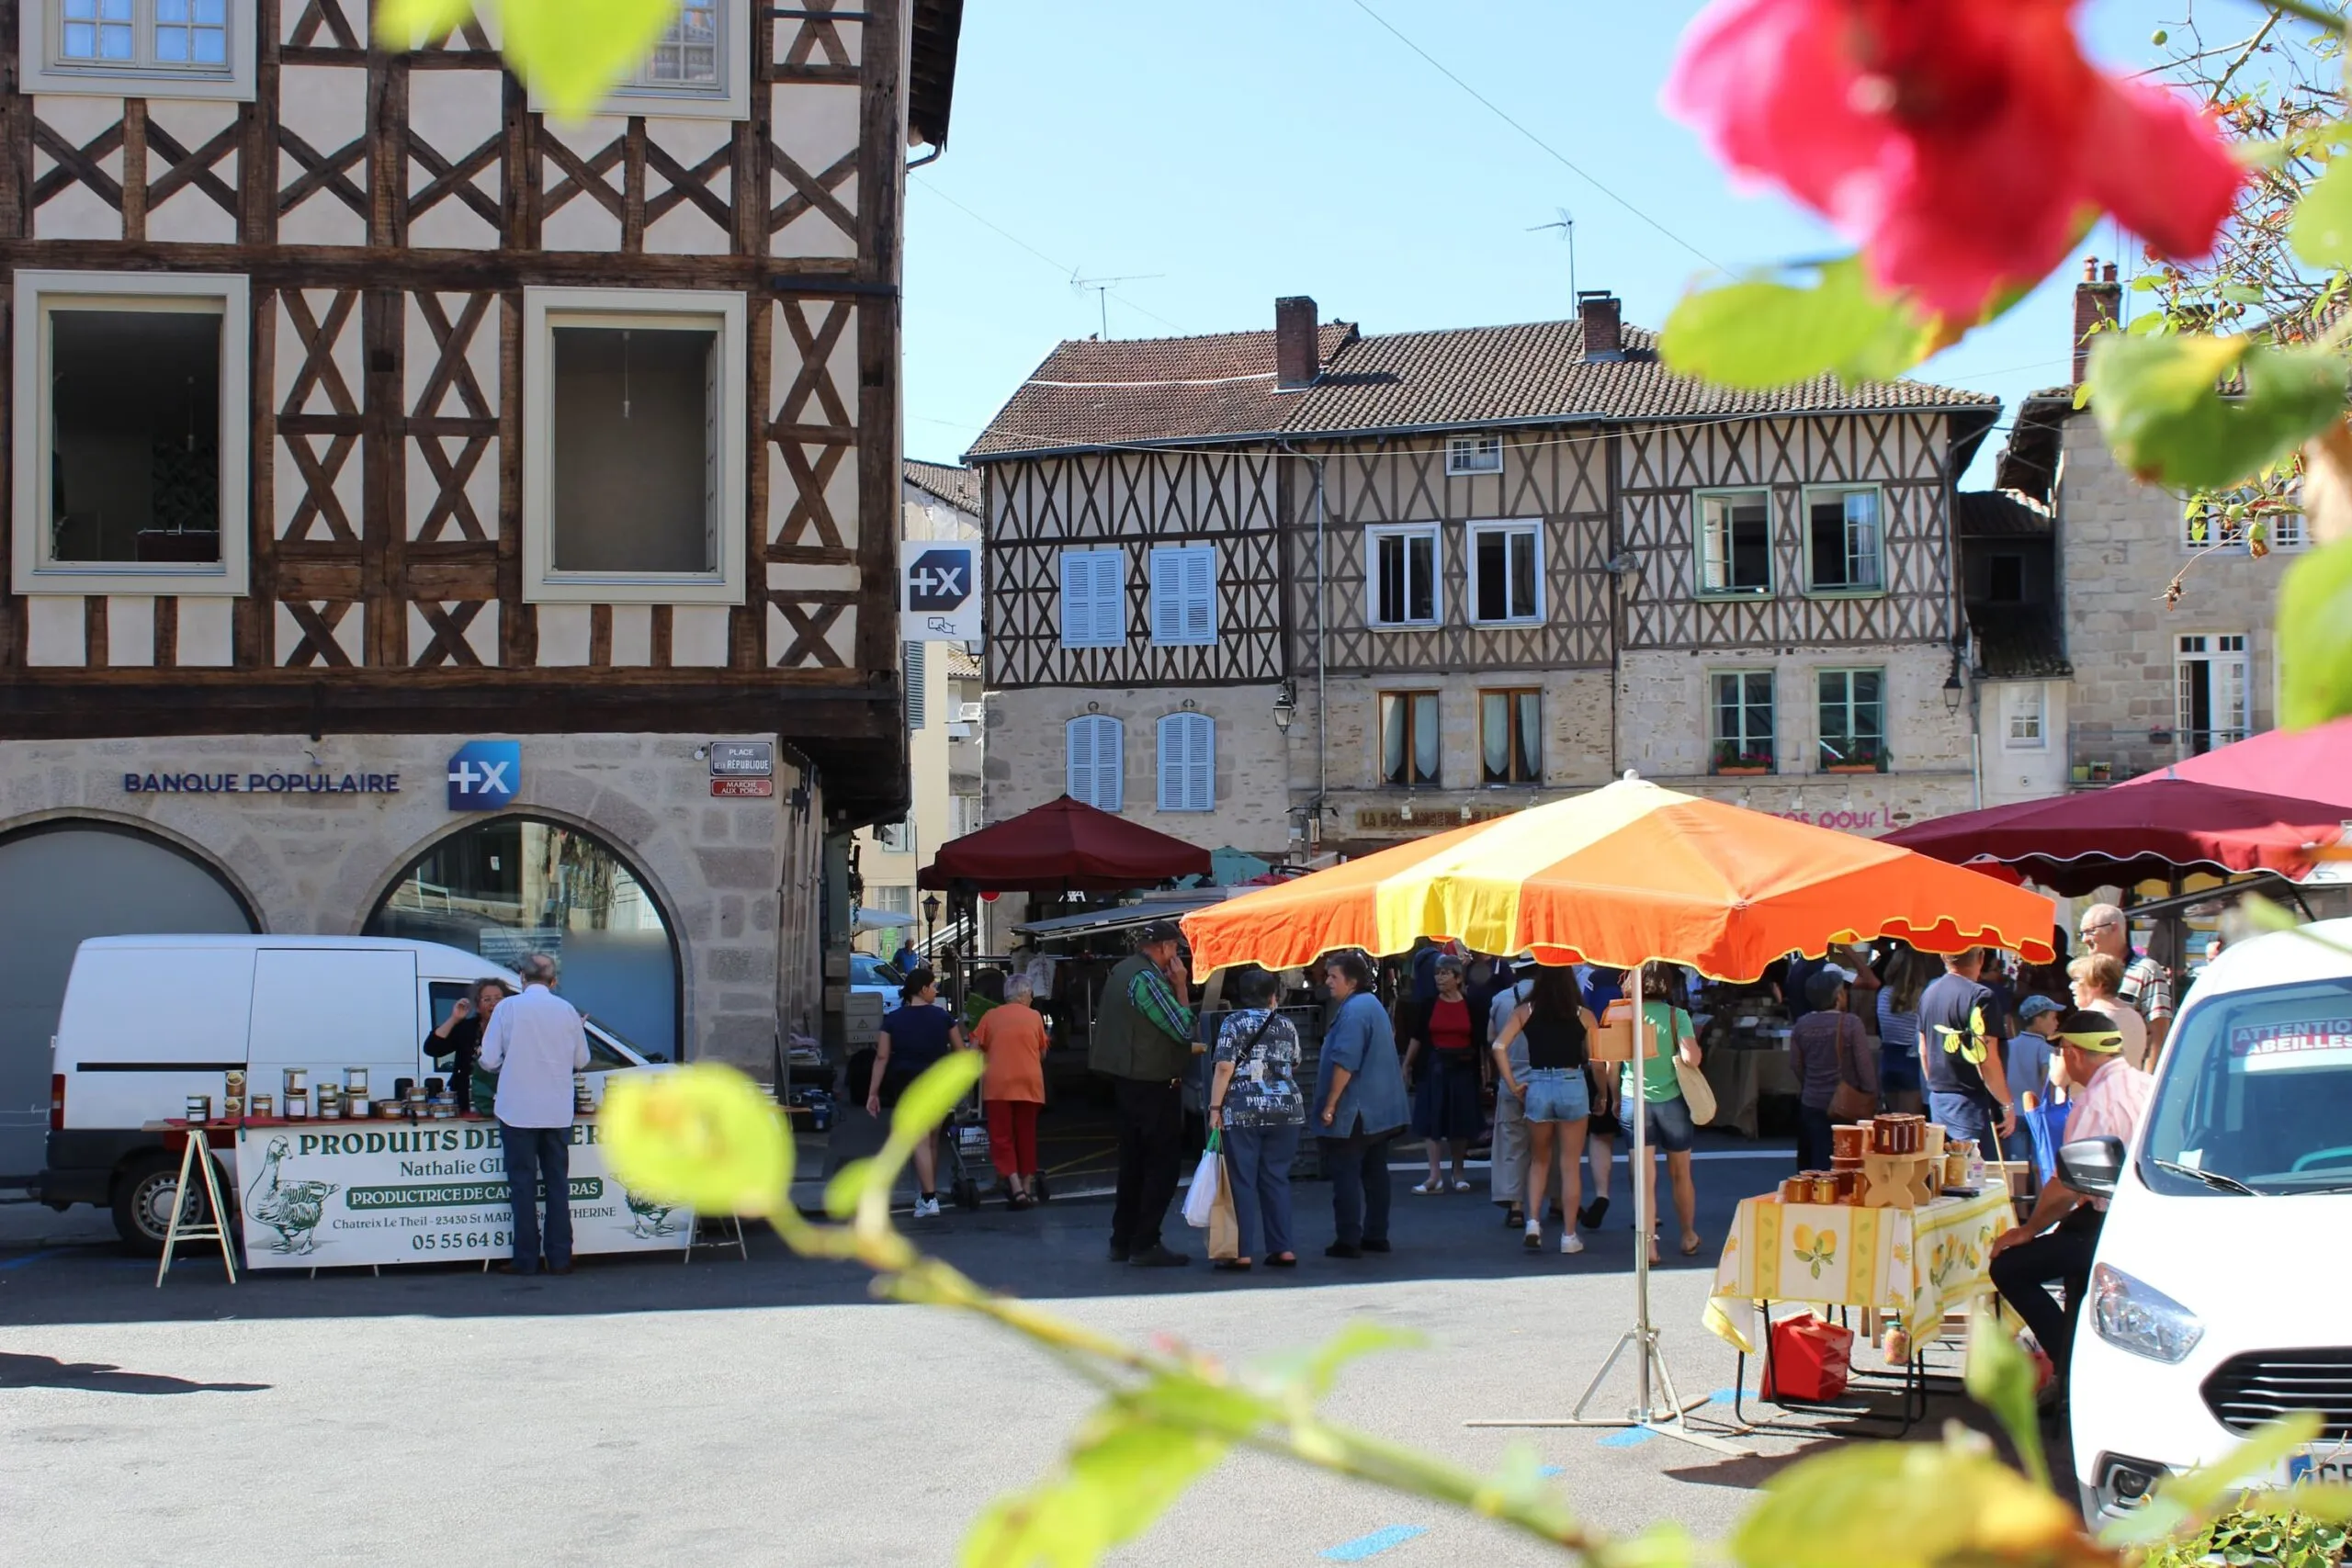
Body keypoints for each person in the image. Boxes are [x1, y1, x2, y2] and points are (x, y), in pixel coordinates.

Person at [1989, 1009, 2156, 1397]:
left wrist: (2028, 1230)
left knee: (2010, 1266)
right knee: (2066, 1243)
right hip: (2141, 1216)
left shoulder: (2095, 1103)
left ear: (2074, 1052)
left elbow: (2065, 1187)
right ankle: (2074, 1356)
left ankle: (2072, 1365)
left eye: (2062, 1050)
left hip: (2111, 1225)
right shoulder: (2148, 1084)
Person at [1090, 922, 1197, 1268]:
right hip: (1152, 1082)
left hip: (1128, 1080)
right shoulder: (1148, 980)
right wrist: (1181, 986)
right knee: (1161, 1167)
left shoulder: (1123, 970)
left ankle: (1122, 1240)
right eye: (1176, 950)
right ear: (1165, 947)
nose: (1177, 957)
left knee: (1133, 1164)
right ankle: (1145, 1241)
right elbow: (1182, 1028)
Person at [477, 953, 588, 1277]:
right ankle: (560, 1257)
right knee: (557, 1183)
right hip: (556, 1109)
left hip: (517, 1109)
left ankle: (525, 1259)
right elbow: (581, 1060)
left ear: (522, 979)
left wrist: (507, 1064)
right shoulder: (567, 1011)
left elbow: (488, 1059)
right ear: (553, 982)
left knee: (522, 1185)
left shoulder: (508, 1009)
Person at [1491, 967, 1600, 1255]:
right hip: (1572, 1083)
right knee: (1570, 1165)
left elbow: (1499, 1046)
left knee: (1538, 1160)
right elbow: (1597, 1060)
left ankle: (1533, 1223)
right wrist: (1601, 1091)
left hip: (1537, 1083)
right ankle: (1569, 1235)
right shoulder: (1583, 1015)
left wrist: (1513, 1085)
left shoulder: (1525, 1010)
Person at [1206, 967, 1304, 1272]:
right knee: (1276, 1178)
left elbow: (1224, 1067)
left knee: (1242, 1181)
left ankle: (1241, 1252)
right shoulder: (1286, 1024)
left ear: (1239, 996)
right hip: (1286, 1110)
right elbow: (1295, 1063)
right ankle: (1282, 1247)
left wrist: (1214, 1108)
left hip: (1243, 1110)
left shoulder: (1233, 1023)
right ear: (1274, 996)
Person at [1315, 950, 1410, 1258]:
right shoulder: (1371, 1006)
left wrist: (1330, 1104)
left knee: (1346, 1174)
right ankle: (1375, 1234)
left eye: (1333, 976)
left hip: (1356, 1109)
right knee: (1375, 1172)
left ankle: (1348, 1238)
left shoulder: (1354, 1011)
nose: (1328, 981)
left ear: (1352, 981)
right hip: (1379, 1110)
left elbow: (1346, 1061)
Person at [865, 966, 967, 1219]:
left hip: (908, 1083)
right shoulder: (943, 1017)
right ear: (923, 989)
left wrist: (873, 1092)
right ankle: (926, 1195)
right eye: (934, 986)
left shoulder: (892, 1019)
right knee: (932, 1141)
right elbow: (959, 1051)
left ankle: (929, 1198)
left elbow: (881, 1057)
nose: (936, 991)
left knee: (919, 1140)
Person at [1621, 967, 1706, 1261]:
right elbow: (1690, 1057)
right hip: (1672, 1101)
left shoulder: (1624, 1014)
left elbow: (1609, 1062)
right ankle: (1688, 1235)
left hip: (1635, 1100)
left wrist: (1609, 1095)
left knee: (1644, 1178)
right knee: (1681, 1172)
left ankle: (1650, 1246)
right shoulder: (1677, 1016)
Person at [1918, 948, 2019, 1155]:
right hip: (1975, 1105)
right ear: (1981, 958)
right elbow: (1986, 1058)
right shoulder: (1982, 996)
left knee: (1947, 1176)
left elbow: (1924, 1049)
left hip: (1939, 1099)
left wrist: (1937, 1088)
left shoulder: (1929, 993)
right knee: (1984, 1180)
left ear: (1943, 956)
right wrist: (2007, 1104)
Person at [1404, 956, 1487, 1194]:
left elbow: (1480, 1041)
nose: (1439, 978)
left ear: (1458, 978)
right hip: (1434, 1066)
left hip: (1463, 1066)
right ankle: (1434, 1175)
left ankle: (1458, 1172)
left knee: (1459, 1120)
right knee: (1431, 1119)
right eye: (1437, 973)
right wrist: (1407, 1064)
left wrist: (1484, 1069)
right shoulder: (1429, 1004)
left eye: (1445, 973)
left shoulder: (1471, 1006)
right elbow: (1417, 1037)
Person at [970, 976, 1049, 1208]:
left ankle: (1015, 1186)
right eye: (1030, 994)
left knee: (1002, 1136)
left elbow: (973, 1049)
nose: (1032, 998)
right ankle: (1026, 1187)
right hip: (1029, 1083)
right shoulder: (1035, 1017)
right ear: (1023, 995)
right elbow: (1043, 1053)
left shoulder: (990, 1016)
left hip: (999, 1084)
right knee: (1026, 1134)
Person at [1791, 968, 1875, 1171]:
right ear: (1838, 996)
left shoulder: (1801, 1025)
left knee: (1815, 1159)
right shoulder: (1851, 1023)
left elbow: (1796, 1064)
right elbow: (1864, 1066)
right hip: (1846, 1101)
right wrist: (1871, 1094)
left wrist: (1809, 1082)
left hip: (1812, 1099)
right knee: (1846, 1159)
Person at [2077, 902, 2174, 1062]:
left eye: (2090, 931)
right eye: (2082, 933)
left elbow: (2159, 1030)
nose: (2085, 939)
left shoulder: (2147, 970)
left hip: (2130, 1074)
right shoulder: (2087, 972)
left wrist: (2148, 1080)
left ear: (2114, 928)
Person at [1577, 965, 1627, 1232]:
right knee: (1640, 1145)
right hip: (1638, 1067)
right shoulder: (1640, 974)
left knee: (1600, 1135)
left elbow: (1589, 1024)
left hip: (1602, 1057)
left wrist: (1605, 1094)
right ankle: (1647, 1209)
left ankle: (1602, 1193)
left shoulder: (1595, 979)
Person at [1487, 962, 1535, 1228]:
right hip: (1545, 1079)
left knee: (1511, 1142)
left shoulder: (1501, 1000)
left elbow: (1491, 1038)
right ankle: (1557, 1201)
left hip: (1511, 1080)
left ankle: (1515, 1205)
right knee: (1549, 1146)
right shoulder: (1557, 997)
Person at [425, 977, 510, 1115]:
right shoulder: (466, 1029)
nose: (494, 1004)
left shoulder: (515, 1029)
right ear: (477, 1006)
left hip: (506, 1103)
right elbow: (432, 1048)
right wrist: (454, 1019)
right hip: (467, 1101)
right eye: (487, 999)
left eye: (498, 998)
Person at [2068, 951, 2151, 1073]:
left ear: (2098, 983)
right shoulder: (2135, 1017)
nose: (2071, 986)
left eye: (2077, 980)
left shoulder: (2086, 1021)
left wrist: (2055, 1060)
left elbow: (2060, 1077)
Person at [1875, 948, 1928, 1114]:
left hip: (1888, 1060)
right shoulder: (1922, 997)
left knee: (1893, 1124)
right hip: (1911, 1061)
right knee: (1909, 1128)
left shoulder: (1883, 994)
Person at [2006, 994, 2066, 1107]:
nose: (2057, 1023)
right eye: (2053, 1018)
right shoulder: (2046, 1050)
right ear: (2038, 1021)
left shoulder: (2008, 1046)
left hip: (2012, 1113)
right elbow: (2048, 1084)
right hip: (2035, 1114)